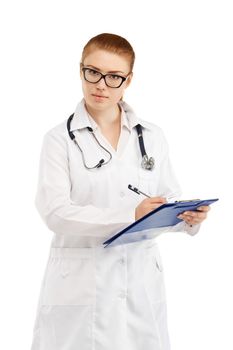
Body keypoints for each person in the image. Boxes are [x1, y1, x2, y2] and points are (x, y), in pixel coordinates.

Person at [30, 33, 210, 350]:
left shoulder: (152, 137)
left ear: (128, 80)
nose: (101, 84)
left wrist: (188, 217)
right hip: (82, 284)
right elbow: (55, 212)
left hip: (140, 283)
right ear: (81, 70)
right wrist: (131, 215)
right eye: (93, 72)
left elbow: (166, 198)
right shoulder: (58, 139)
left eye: (114, 77)